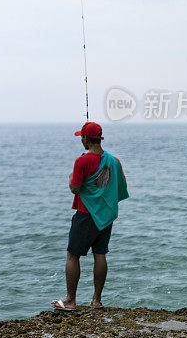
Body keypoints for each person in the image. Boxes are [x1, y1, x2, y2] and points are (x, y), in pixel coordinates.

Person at [52, 121, 129, 311]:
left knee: (73, 255)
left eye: (81, 137)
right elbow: (120, 187)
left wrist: (72, 176)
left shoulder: (82, 161)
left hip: (86, 215)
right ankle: (96, 300)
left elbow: (74, 188)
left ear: (86, 139)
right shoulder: (114, 160)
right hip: (105, 216)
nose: (81, 140)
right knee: (100, 254)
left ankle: (70, 300)